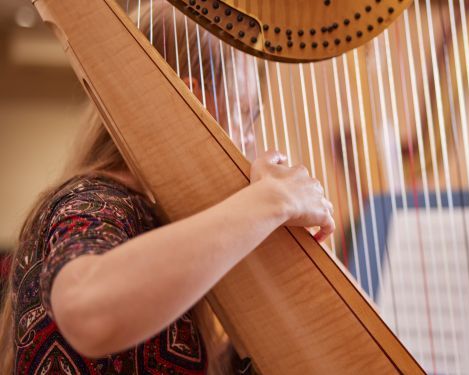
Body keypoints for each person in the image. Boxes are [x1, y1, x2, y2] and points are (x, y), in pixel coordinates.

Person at [0, 3, 334, 374]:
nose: (250, 142)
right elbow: (86, 310)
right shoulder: (92, 203)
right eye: (245, 113)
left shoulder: (160, 217)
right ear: (194, 102)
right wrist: (272, 201)